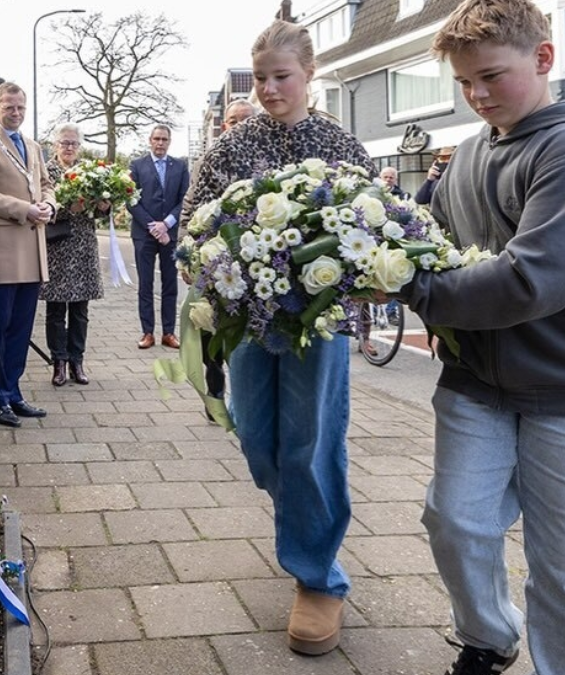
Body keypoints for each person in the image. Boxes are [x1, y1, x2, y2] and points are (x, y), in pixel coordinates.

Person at [395, 1, 565, 673]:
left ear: (544, 59)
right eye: (464, 83)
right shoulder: (466, 153)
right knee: (455, 522)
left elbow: (535, 281)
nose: (476, 94)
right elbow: (423, 240)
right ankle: (490, 635)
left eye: (491, 77)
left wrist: (412, 290)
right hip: (477, 381)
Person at [181, 19, 373, 656]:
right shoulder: (230, 148)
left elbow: (374, 232)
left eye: (280, 76)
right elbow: (192, 226)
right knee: (260, 440)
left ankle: (318, 577)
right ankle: (303, 524)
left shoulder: (340, 145)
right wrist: (209, 268)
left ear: (310, 74)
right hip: (248, 324)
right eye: (260, 77)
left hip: (319, 326)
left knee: (312, 443)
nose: (268, 88)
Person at [0, 82, 56, 428]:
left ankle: (14, 392)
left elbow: (46, 184)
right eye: (9, 108)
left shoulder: (32, 146)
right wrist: (24, 209)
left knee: (20, 329)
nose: (15, 114)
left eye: (21, 108)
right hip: (1, 251)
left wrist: (48, 204)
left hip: (32, 252)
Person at [186, 98, 256, 411]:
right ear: (224, 125)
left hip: (257, 259)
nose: (239, 125)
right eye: (233, 120)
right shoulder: (209, 160)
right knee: (208, 323)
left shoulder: (267, 158)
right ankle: (215, 386)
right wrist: (186, 252)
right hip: (214, 256)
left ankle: (246, 398)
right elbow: (190, 205)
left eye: (246, 119)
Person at [42, 123, 105, 387]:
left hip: (83, 246)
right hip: (57, 247)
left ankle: (77, 361)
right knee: (56, 309)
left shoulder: (89, 171)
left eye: (73, 144)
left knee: (80, 309)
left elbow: (99, 212)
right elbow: (44, 206)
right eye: (64, 143)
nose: (69, 148)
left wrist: (104, 205)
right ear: (55, 145)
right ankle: (58, 362)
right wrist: (69, 207)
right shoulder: (46, 171)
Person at [129, 124, 190, 350]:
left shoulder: (181, 166)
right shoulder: (137, 166)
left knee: (170, 284)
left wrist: (167, 224)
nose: (160, 143)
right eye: (156, 139)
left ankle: (168, 332)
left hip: (170, 234)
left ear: (169, 141)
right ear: (150, 140)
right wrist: (152, 226)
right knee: (145, 284)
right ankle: (147, 332)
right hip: (143, 235)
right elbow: (131, 199)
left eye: (164, 139)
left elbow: (184, 199)